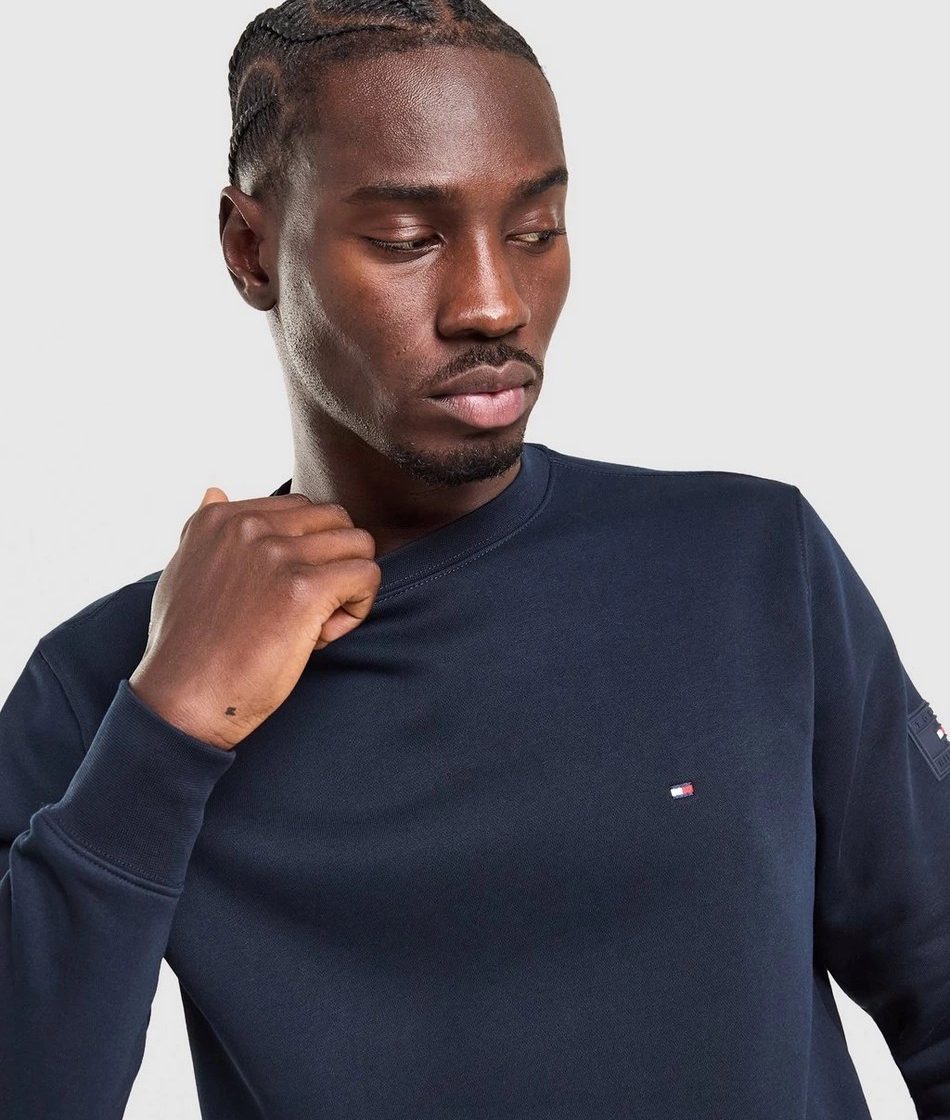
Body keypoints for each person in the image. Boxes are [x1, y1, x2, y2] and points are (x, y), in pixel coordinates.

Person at [2, 2, 947, 1117]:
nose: (494, 303)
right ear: (251, 249)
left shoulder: (750, 566)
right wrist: (169, 726)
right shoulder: (107, 686)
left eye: (536, 230)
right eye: (409, 240)